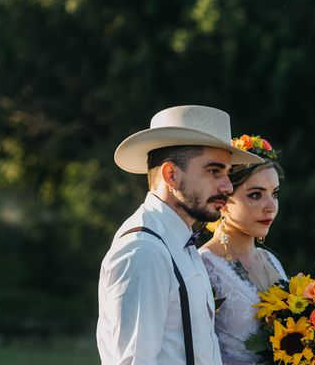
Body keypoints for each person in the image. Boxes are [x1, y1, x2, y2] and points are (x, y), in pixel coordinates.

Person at [96, 106, 262, 365]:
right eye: (214, 171)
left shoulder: (180, 242)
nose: (228, 186)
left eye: (227, 173)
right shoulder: (143, 250)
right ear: (171, 175)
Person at [199, 134, 286, 365]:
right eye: (255, 195)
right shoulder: (204, 266)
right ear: (224, 199)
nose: (271, 207)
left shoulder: (270, 259)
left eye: (274, 194)